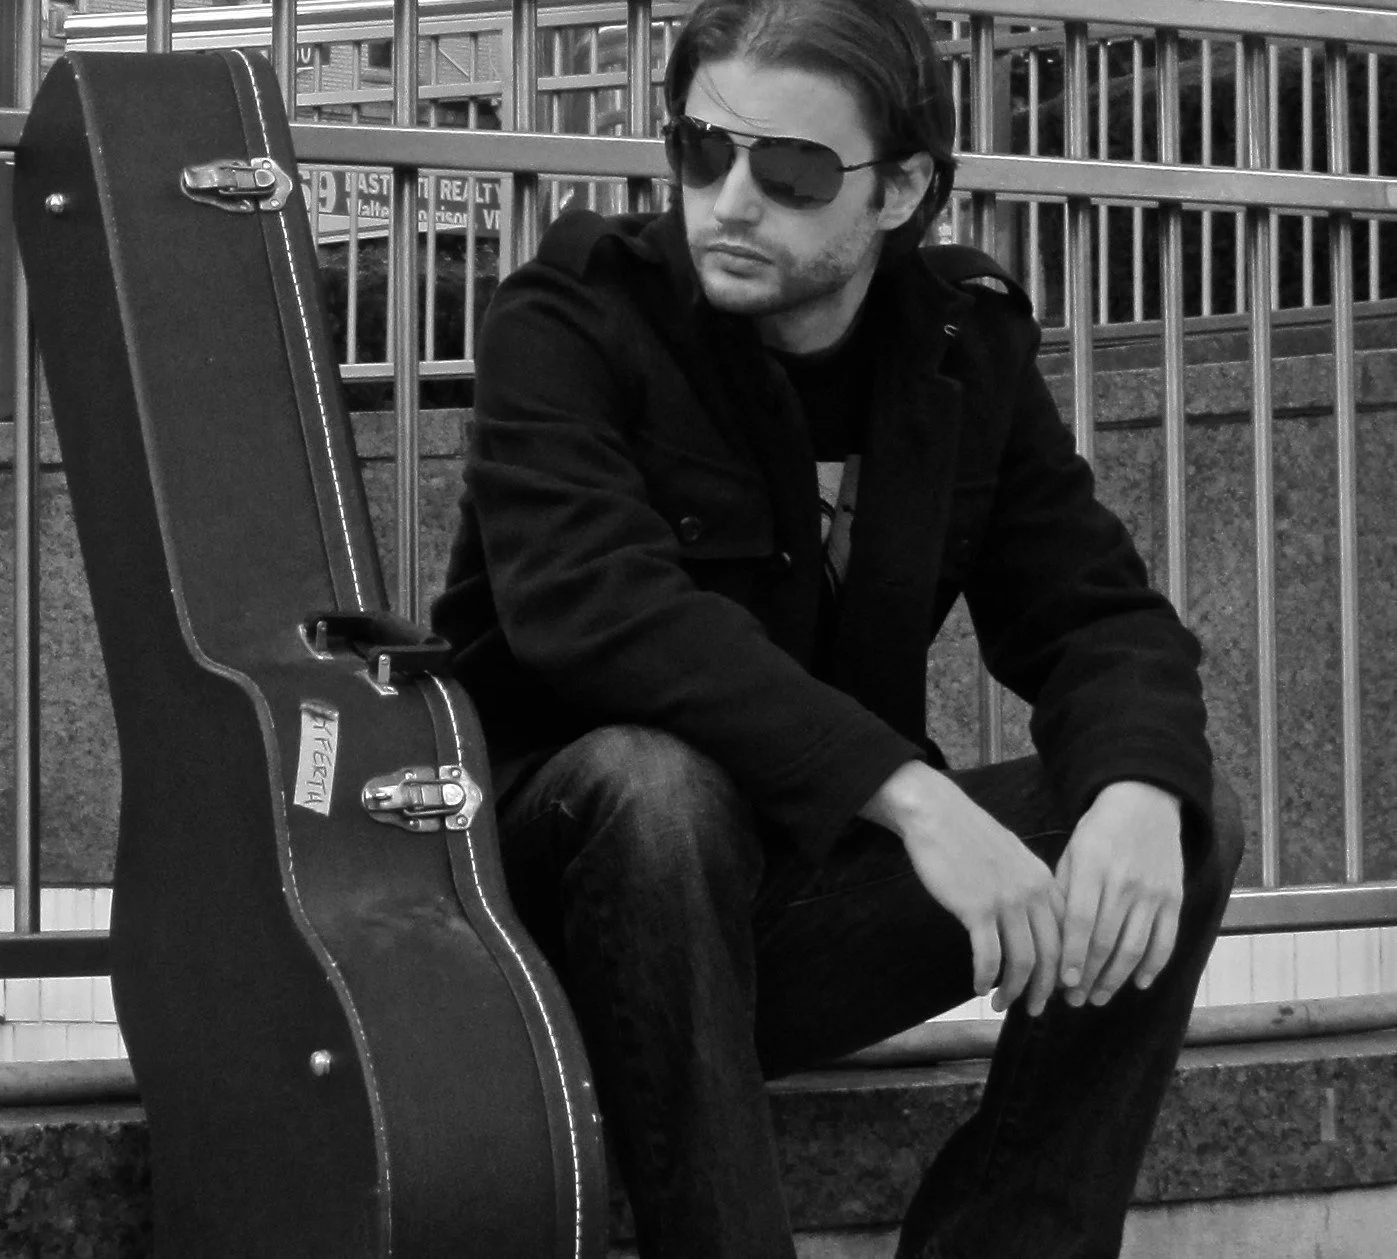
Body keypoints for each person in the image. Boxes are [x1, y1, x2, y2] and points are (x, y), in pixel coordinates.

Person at [432, 1, 1243, 1254]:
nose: (732, 200)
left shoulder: (959, 343)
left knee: (1175, 815)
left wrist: (1135, 790)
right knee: (655, 785)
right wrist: (912, 798)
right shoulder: (576, 316)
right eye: (703, 150)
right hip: (541, 930)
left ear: (901, 187)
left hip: (779, 916)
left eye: (793, 169)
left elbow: (1092, 606)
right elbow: (592, 608)